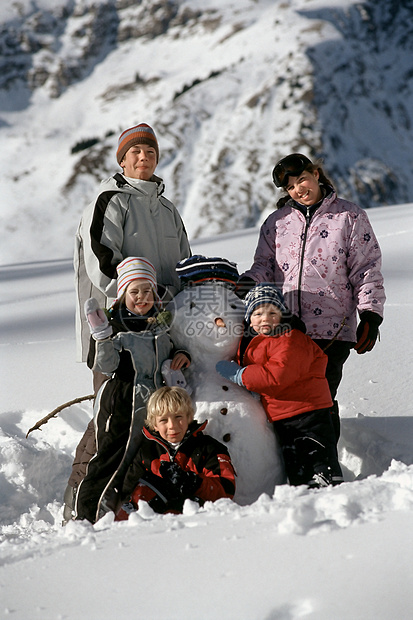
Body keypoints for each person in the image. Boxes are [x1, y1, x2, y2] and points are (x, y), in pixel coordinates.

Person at [238, 153, 385, 439]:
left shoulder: (349, 216)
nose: (298, 189)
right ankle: (297, 462)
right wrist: (247, 284)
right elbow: (264, 266)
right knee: (290, 400)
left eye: (302, 179)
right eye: (291, 187)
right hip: (286, 329)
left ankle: (326, 466)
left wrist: (370, 312)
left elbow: (366, 268)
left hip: (332, 328)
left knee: (321, 398)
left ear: (316, 174)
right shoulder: (277, 222)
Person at [65, 257, 191, 524]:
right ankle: (82, 517)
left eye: (147, 291)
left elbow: (167, 354)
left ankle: (121, 512)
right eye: (134, 292)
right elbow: (105, 364)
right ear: (123, 295)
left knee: (138, 463)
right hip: (121, 404)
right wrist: (101, 336)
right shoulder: (116, 327)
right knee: (107, 460)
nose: (142, 297)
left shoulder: (159, 326)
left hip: (151, 409)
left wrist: (181, 355)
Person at [74, 122, 191, 388]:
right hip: (119, 322)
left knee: (162, 403)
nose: (144, 157)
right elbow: (101, 263)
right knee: (113, 401)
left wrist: (180, 298)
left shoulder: (167, 209)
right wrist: (139, 296)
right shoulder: (110, 201)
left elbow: (185, 264)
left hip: (163, 322)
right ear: (122, 160)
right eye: (135, 151)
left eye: (151, 152)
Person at [216, 284, 343, 489]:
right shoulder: (259, 341)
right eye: (257, 313)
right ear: (249, 319)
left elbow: (277, 375)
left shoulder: (291, 338)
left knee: (316, 453)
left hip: (308, 409)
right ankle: (303, 492)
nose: (264, 318)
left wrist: (242, 375)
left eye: (272, 312)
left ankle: (330, 487)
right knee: (295, 460)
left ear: (282, 315)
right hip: (284, 414)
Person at [116, 386, 236, 519]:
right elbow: (128, 493)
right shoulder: (147, 452)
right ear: (154, 424)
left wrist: (193, 482)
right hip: (151, 523)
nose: (172, 425)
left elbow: (226, 491)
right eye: (163, 420)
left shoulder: (208, 448)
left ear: (189, 417)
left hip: (195, 521)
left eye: (178, 417)